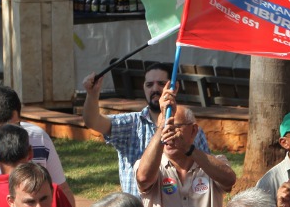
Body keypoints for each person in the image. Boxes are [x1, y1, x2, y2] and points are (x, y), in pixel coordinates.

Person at [82, 63, 210, 196]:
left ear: (175, 87)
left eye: (161, 83)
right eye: (149, 85)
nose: (155, 89)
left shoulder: (190, 128)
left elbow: (207, 172)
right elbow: (93, 121)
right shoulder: (130, 124)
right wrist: (92, 94)